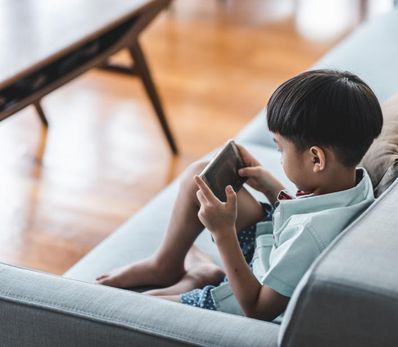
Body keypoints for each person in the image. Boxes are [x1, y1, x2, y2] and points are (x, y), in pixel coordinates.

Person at [96, 69, 383, 321]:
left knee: (135, 309)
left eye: (281, 149)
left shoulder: (309, 237)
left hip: (246, 293)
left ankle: (200, 278)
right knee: (201, 177)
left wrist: (222, 232)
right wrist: (272, 188)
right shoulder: (356, 183)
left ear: (316, 159)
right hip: (271, 248)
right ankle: (165, 265)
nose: (279, 156)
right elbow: (309, 219)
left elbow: (257, 309)